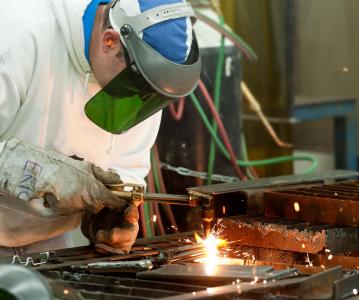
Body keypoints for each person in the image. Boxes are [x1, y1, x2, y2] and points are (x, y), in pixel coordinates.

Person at [0, 0, 200, 256]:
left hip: (48, 243)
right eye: (137, 87)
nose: (142, 100)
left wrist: (106, 214)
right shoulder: (18, 36)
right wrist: (33, 170)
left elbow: (126, 169)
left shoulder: (144, 74)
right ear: (109, 41)